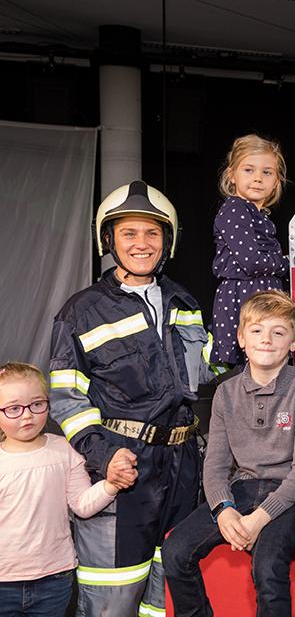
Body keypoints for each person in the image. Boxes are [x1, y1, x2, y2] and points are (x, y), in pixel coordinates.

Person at [48, 181, 222, 616]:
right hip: (124, 469)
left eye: (152, 234)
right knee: (114, 596)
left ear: (168, 241)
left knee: (166, 596)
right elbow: (67, 398)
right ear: (108, 240)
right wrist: (105, 457)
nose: (141, 244)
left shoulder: (184, 300)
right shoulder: (81, 310)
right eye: (129, 233)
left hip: (183, 468)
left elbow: (204, 372)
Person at [163, 290, 295, 617]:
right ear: (240, 338)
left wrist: (257, 520)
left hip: (294, 493)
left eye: (278, 332)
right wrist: (224, 510)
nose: (266, 339)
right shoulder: (225, 393)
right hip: (244, 486)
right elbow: (216, 467)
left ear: (294, 342)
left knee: (267, 565)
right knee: (175, 550)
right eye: (256, 331)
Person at [0, 363, 126, 617]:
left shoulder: (65, 449)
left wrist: (111, 485)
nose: (27, 415)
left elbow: (81, 504)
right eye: (14, 409)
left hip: (54, 580)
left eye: (37, 404)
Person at [212, 133, 290, 367]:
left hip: (261, 298)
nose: (258, 178)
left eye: (267, 172)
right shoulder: (235, 209)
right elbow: (252, 262)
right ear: (231, 175)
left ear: (276, 181)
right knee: (249, 372)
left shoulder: (256, 214)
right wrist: (291, 262)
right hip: (244, 299)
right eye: (249, 170)